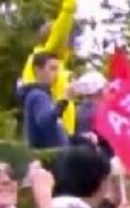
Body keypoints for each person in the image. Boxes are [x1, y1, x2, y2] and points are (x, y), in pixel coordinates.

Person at [19, 0, 77, 134]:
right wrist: (69, 8)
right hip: (54, 133)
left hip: (61, 132)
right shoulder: (46, 53)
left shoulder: (43, 60)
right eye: (64, 38)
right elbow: (61, 31)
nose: (67, 41)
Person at [18, 52, 70, 149]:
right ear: (38, 70)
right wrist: (63, 102)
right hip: (47, 158)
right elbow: (46, 122)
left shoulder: (45, 95)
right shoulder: (38, 96)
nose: (56, 74)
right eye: (52, 69)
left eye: (57, 69)